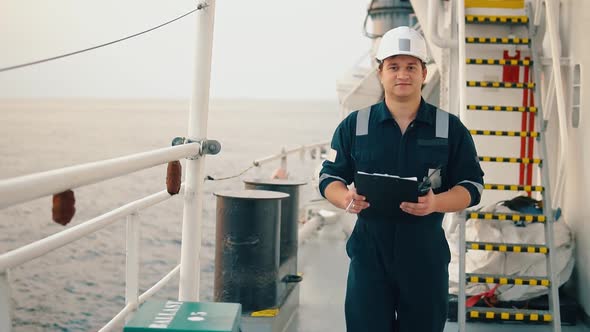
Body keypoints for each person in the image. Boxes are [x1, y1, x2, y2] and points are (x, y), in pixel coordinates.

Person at [318, 26, 484, 332]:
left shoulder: (450, 128)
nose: (402, 74)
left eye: (411, 67)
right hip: (369, 256)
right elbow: (329, 177)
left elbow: (472, 187)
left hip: (425, 257)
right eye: (393, 67)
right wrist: (345, 198)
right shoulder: (355, 125)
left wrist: (437, 203)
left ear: (423, 72)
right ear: (380, 73)